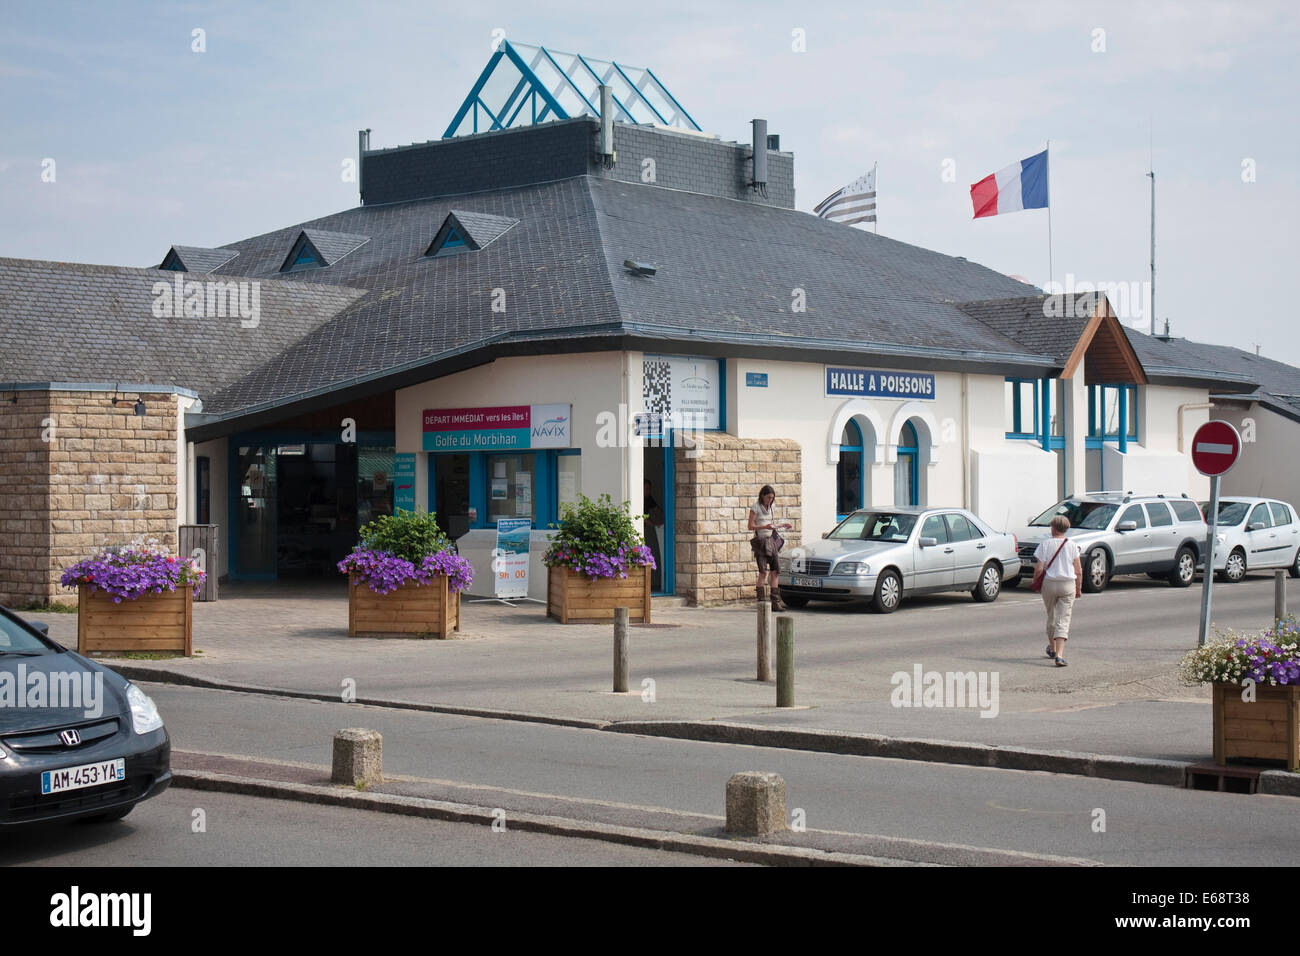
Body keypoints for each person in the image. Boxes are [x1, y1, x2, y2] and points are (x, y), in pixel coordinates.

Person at [1033, 515, 1083, 666]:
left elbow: (1039, 568)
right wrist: (1078, 587)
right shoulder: (1072, 545)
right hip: (1068, 584)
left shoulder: (1045, 544)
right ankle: (1059, 655)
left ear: (1052, 528)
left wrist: (1036, 581)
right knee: (1064, 618)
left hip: (1049, 584)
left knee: (1052, 616)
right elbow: (1078, 570)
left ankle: (1053, 649)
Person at [748, 484, 792, 611]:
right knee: (763, 572)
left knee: (775, 571)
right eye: (768, 497)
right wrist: (764, 527)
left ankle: (775, 603)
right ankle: (761, 602)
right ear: (762, 496)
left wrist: (782, 525)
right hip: (761, 542)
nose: (770, 500)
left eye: (772, 498)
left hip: (771, 541)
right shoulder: (756, 507)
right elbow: (750, 526)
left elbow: (771, 525)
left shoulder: (771, 507)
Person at [643, 479, 665, 591]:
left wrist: (666, 517)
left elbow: (657, 509)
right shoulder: (639, 498)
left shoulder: (649, 498)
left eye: (649, 489)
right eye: (647, 489)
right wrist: (655, 525)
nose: (649, 491)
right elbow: (642, 516)